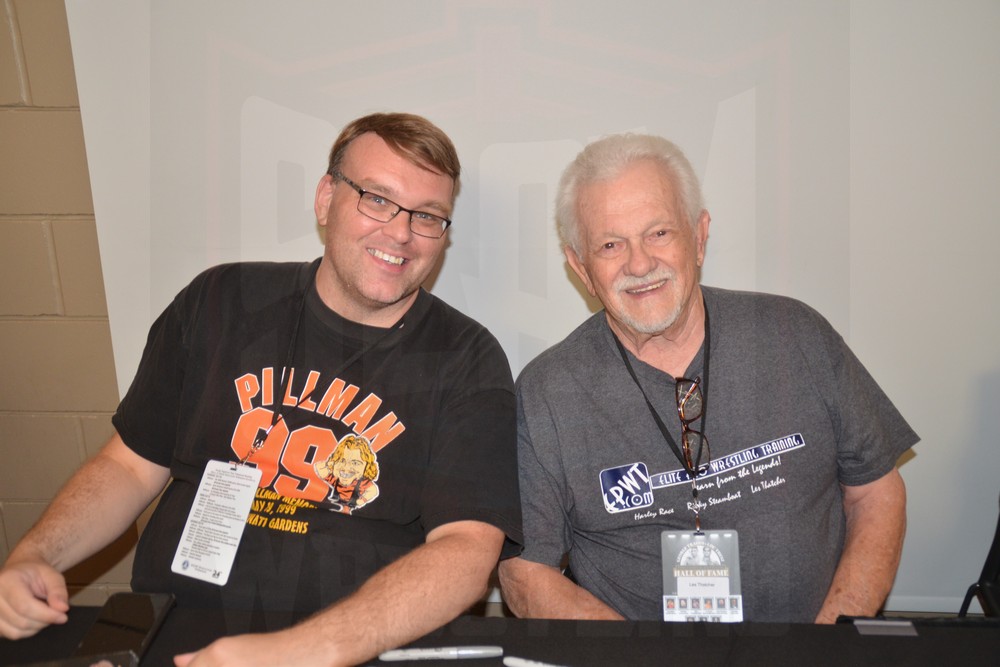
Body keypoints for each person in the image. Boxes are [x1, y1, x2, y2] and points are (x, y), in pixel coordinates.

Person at [0, 112, 522, 666]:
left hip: (351, 646)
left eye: (427, 216)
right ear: (326, 199)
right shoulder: (222, 301)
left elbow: (466, 550)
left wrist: (299, 653)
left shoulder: (465, 357)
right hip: (175, 622)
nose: (400, 232)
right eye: (376, 198)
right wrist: (35, 555)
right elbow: (129, 467)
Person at [497, 132, 916, 624]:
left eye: (659, 233)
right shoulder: (547, 393)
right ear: (581, 268)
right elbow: (524, 574)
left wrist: (829, 643)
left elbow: (876, 491)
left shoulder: (796, 334)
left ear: (698, 237)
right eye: (610, 244)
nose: (639, 263)